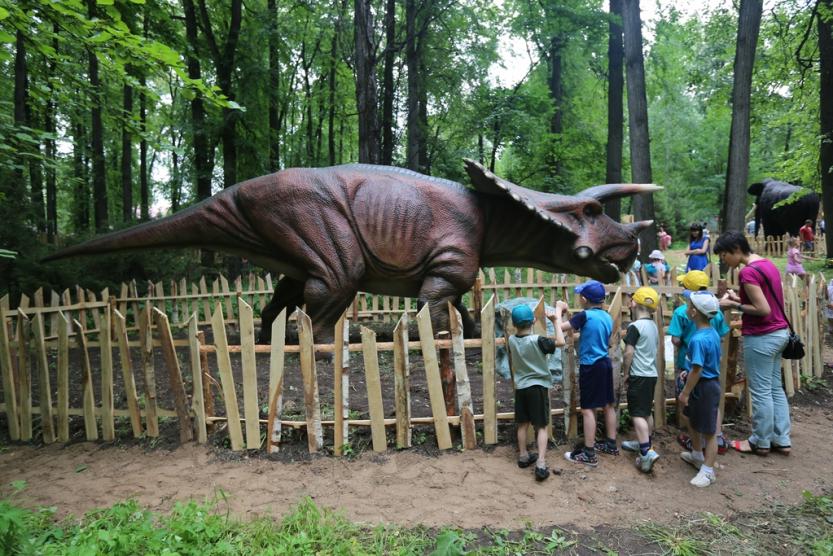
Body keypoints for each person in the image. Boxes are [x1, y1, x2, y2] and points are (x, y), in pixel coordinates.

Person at [714, 231, 791, 456]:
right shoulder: (767, 264)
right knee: (775, 388)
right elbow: (765, 300)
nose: (724, 260)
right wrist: (740, 299)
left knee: (760, 391)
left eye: (724, 255)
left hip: (762, 337)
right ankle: (781, 439)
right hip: (779, 333)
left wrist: (732, 306)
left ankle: (759, 441)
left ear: (736, 249)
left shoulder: (747, 273)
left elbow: (762, 309)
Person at [669, 270, 730, 454]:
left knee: (689, 404)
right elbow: (722, 335)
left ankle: (696, 441)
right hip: (712, 363)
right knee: (712, 406)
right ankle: (717, 436)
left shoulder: (681, 312)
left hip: (690, 363)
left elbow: (676, 340)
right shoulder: (715, 312)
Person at [561, 280, 617, 467]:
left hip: (590, 365)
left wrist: (558, 313)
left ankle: (589, 453)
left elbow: (562, 328)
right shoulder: (607, 316)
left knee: (587, 409)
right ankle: (611, 443)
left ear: (584, 299)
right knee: (608, 405)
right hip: (605, 363)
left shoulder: (584, 315)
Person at [509, 302, 567, 481]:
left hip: (521, 388)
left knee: (523, 423)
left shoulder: (511, 339)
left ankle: (523, 456)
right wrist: (556, 321)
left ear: (514, 324)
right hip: (538, 387)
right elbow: (560, 342)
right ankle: (541, 463)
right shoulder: (538, 341)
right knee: (541, 426)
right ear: (534, 321)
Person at [678, 292, 723, 487]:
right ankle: (697, 455)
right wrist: (688, 374)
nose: (686, 308)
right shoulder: (710, 332)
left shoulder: (698, 340)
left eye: (688, 305)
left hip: (704, 386)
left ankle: (708, 471)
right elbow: (699, 366)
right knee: (693, 420)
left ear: (694, 312)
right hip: (700, 382)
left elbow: (698, 369)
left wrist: (685, 392)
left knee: (709, 430)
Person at [620, 287, 661, 473]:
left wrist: (626, 372)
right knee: (646, 411)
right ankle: (646, 443)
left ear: (634, 303)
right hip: (651, 375)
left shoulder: (634, 327)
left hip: (638, 374)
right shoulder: (653, 326)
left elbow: (629, 352)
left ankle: (646, 453)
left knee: (636, 414)